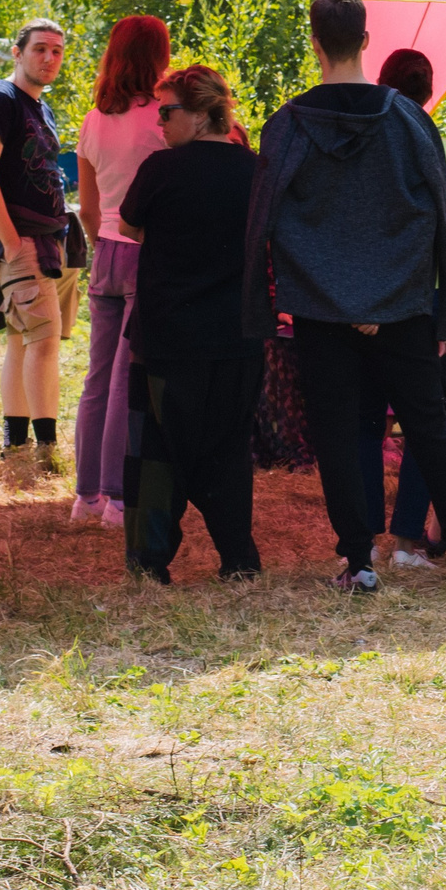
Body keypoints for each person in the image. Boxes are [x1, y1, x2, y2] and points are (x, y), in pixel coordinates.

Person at [245, 0, 446, 591]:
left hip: (321, 310)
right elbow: (436, 217)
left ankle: (357, 562)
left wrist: (320, 295)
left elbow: (266, 219)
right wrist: (396, 296)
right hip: (400, 307)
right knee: (427, 423)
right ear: (365, 41)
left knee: (337, 431)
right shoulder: (408, 120)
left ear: (314, 42)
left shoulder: (288, 126)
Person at [115, 65, 264, 581]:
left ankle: (150, 562)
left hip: (167, 337)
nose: (160, 122)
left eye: (167, 110)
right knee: (228, 448)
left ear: (201, 114)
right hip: (237, 337)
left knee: (157, 451)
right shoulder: (256, 171)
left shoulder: (162, 170)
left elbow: (129, 225)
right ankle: (239, 558)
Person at [356, 47, 446, 569]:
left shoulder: (364, 144)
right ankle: (406, 540)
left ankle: (366, 543)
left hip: (383, 291)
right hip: (437, 291)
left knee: (369, 415)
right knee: (434, 417)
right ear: (430, 93)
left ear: (382, 85)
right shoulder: (440, 144)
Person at [70, 14, 171, 527]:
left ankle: (85, 496)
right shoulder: (161, 118)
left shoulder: (94, 119)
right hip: (143, 252)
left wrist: (100, 239)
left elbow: (87, 207)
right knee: (126, 382)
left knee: (96, 375)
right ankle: (116, 495)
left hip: (105, 250)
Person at [0, 20, 77, 461]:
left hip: (45, 241)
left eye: (57, 51)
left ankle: (16, 444)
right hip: (18, 239)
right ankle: (46, 449)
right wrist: (12, 243)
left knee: (23, 338)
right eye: (40, 50)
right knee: (44, 339)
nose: (49, 58)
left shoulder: (40, 106)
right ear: (16, 52)